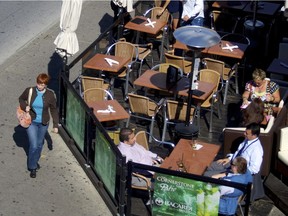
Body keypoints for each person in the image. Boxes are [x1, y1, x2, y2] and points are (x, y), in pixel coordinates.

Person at [204, 123, 264, 201]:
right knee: (210, 165)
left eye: (247, 133)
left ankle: (207, 194)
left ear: (254, 135)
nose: (244, 134)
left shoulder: (257, 150)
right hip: (232, 162)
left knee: (207, 175)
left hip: (237, 170)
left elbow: (254, 169)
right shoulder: (247, 140)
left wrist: (236, 170)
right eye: (245, 131)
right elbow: (239, 152)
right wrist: (229, 158)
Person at [19, 73, 59, 178]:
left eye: (41, 84)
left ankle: (35, 160)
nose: (39, 86)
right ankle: (32, 167)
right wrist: (25, 106)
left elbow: (54, 110)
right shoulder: (30, 90)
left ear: (46, 85)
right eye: (38, 83)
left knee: (40, 144)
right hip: (31, 121)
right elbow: (21, 99)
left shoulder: (50, 95)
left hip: (43, 123)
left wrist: (55, 125)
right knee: (34, 145)